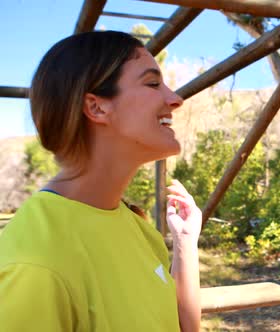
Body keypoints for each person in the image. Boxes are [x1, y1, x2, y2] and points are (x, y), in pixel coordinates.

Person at [0, 31, 201, 331]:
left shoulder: (137, 228)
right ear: (96, 107)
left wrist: (185, 244)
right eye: (152, 83)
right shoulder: (34, 266)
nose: (175, 99)